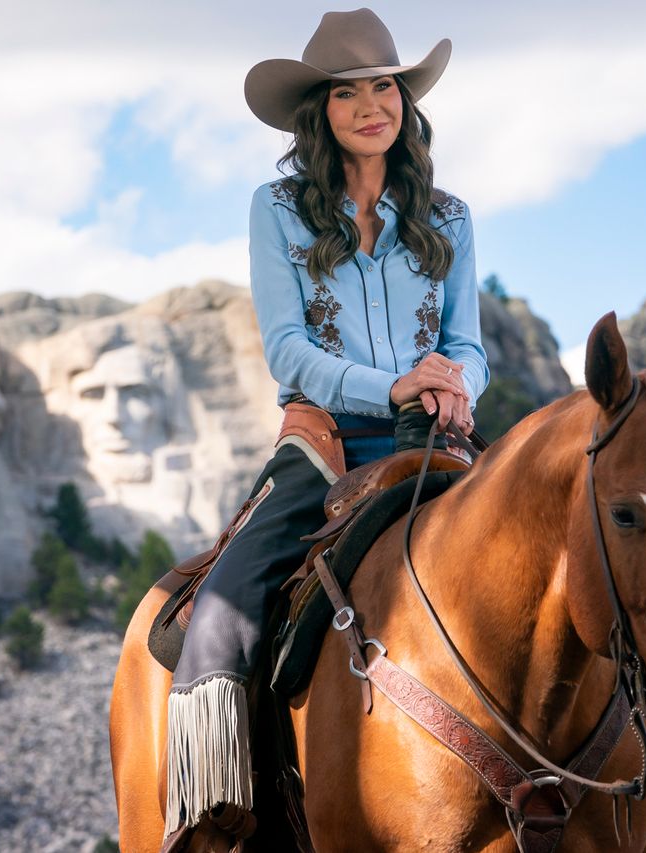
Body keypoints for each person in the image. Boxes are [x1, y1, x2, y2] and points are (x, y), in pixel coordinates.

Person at [163, 8, 489, 846]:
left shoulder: (449, 217)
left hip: (433, 439)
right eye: (349, 92)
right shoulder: (278, 209)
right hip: (326, 441)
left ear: (405, 102)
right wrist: (394, 385)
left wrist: (455, 385)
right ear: (321, 110)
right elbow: (288, 350)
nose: (372, 104)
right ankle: (215, 810)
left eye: (385, 86)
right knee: (226, 606)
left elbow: (468, 345)